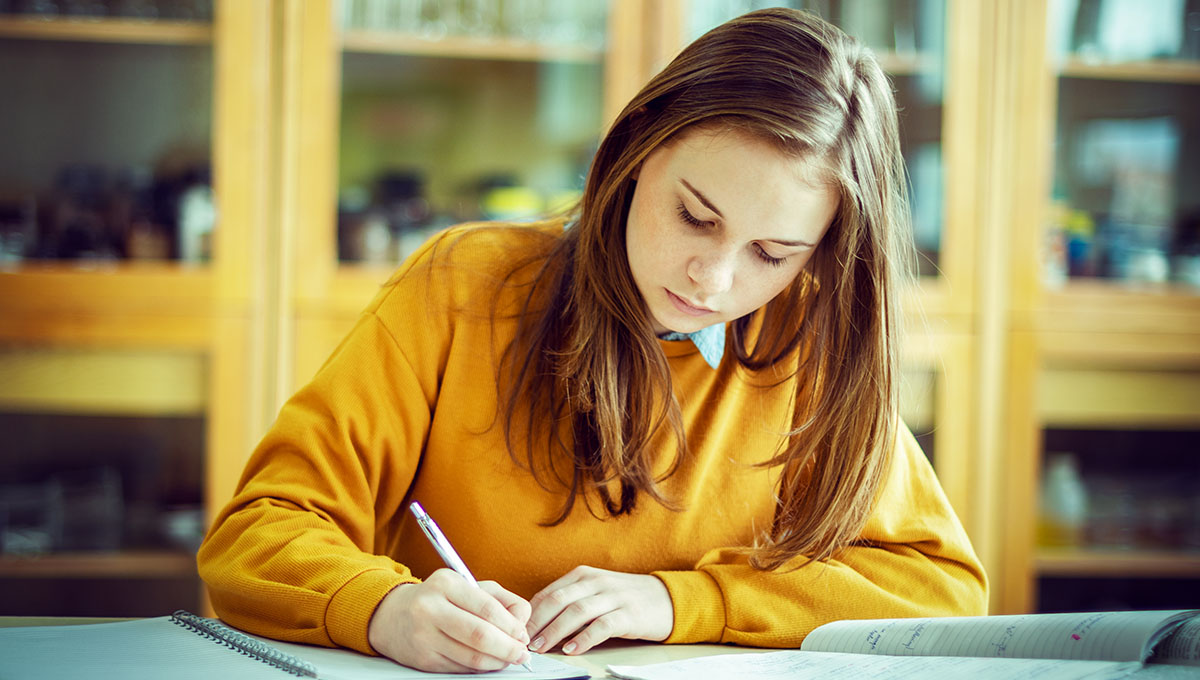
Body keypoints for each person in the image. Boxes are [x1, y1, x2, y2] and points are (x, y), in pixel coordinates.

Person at [198, 7, 988, 675]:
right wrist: (386, 609)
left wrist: (684, 602)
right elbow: (256, 534)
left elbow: (937, 587)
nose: (713, 281)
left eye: (772, 255)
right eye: (695, 216)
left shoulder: (810, 345)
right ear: (638, 146)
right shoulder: (460, 287)